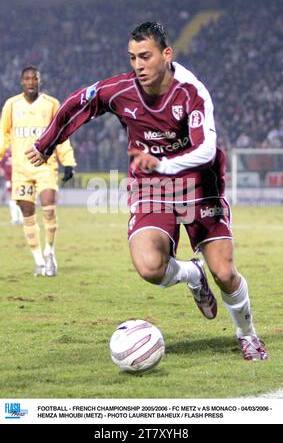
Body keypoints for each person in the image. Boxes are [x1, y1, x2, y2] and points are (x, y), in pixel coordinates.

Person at [26, 22, 267, 360]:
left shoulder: (191, 92)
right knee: (150, 267)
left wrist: (163, 163)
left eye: (145, 56)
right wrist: (46, 143)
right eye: (132, 58)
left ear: (166, 55)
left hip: (199, 185)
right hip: (151, 187)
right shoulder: (121, 90)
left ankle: (247, 334)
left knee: (225, 272)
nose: (138, 65)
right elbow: (79, 102)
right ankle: (191, 274)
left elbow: (206, 148)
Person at [0, 66, 76, 276]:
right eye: (27, 79)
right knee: (27, 214)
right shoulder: (11, 105)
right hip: (21, 170)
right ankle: (39, 261)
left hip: (46, 166)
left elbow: (61, 133)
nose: (31, 82)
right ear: (21, 82)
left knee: (49, 208)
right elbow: (3, 135)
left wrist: (67, 161)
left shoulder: (52, 104)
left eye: (35, 78)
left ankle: (49, 252)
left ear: (40, 81)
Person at [0, 147, 23, 225]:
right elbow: (1, 166)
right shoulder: (5, 154)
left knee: (20, 197)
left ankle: (21, 218)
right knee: (11, 197)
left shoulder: (18, 153)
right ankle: (15, 218)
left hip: (18, 179)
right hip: (8, 179)